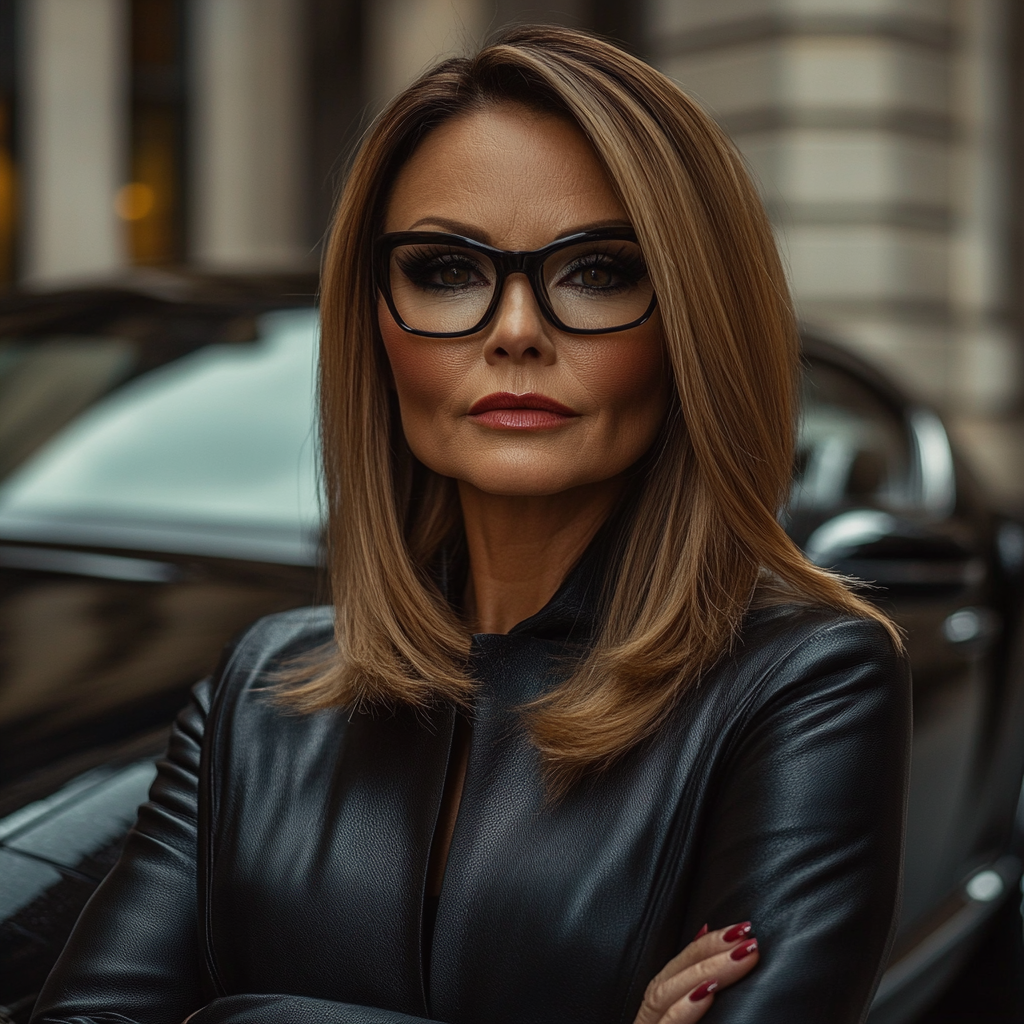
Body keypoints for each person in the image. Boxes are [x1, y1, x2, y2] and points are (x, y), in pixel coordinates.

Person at [31, 25, 910, 1024]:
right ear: (378, 319)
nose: (515, 328)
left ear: (693, 324)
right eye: (447, 270)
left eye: (598, 269)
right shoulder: (259, 687)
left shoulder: (806, 681)